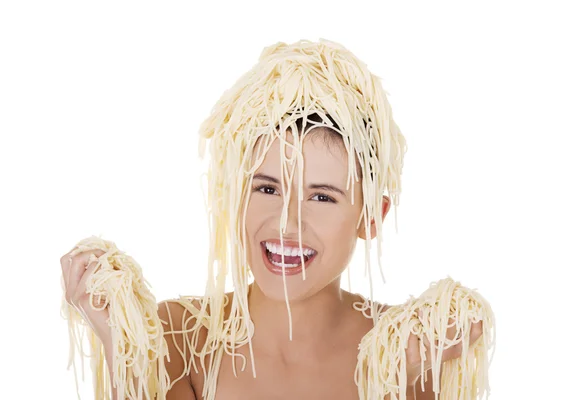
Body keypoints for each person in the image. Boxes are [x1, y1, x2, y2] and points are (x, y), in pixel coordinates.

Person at [61, 39, 484, 400]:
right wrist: (123, 347)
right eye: (267, 188)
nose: (286, 223)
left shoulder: (410, 348)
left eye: (322, 196)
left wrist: (393, 382)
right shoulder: (178, 337)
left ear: (371, 216)